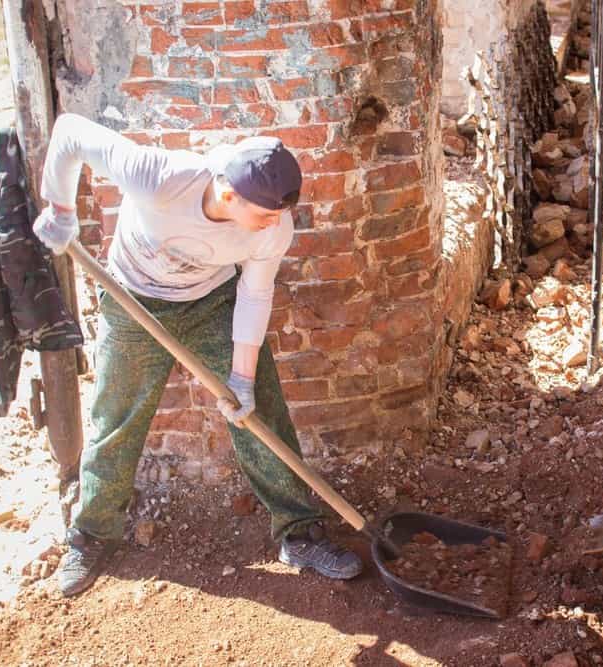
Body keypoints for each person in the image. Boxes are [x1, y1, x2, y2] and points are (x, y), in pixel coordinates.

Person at [33, 113, 363, 597]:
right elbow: (69, 133)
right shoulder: (161, 176)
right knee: (116, 416)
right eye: (265, 214)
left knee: (260, 411)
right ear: (229, 194)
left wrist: (241, 379)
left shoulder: (273, 226)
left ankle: (298, 532)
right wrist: (61, 209)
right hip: (133, 298)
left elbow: (255, 294)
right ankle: (92, 534)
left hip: (212, 300)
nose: (274, 223)